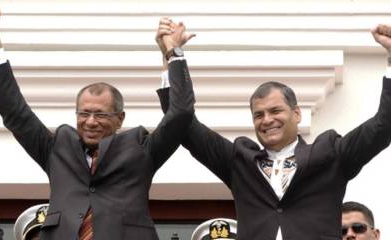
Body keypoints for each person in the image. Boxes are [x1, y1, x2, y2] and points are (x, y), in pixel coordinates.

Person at [157, 20, 391, 240]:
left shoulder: (331, 154)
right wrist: (173, 55)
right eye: (259, 115)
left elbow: (383, 126)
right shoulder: (239, 161)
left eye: (275, 111)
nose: (267, 120)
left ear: (296, 114)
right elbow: (182, 124)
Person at [0, 3, 195, 239]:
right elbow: (15, 112)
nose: (90, 122)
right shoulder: (57, 148)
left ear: (120, 119)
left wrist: (173, 54)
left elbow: (180, 115)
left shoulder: (141, 149)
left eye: (100, 115)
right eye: (83, 114)